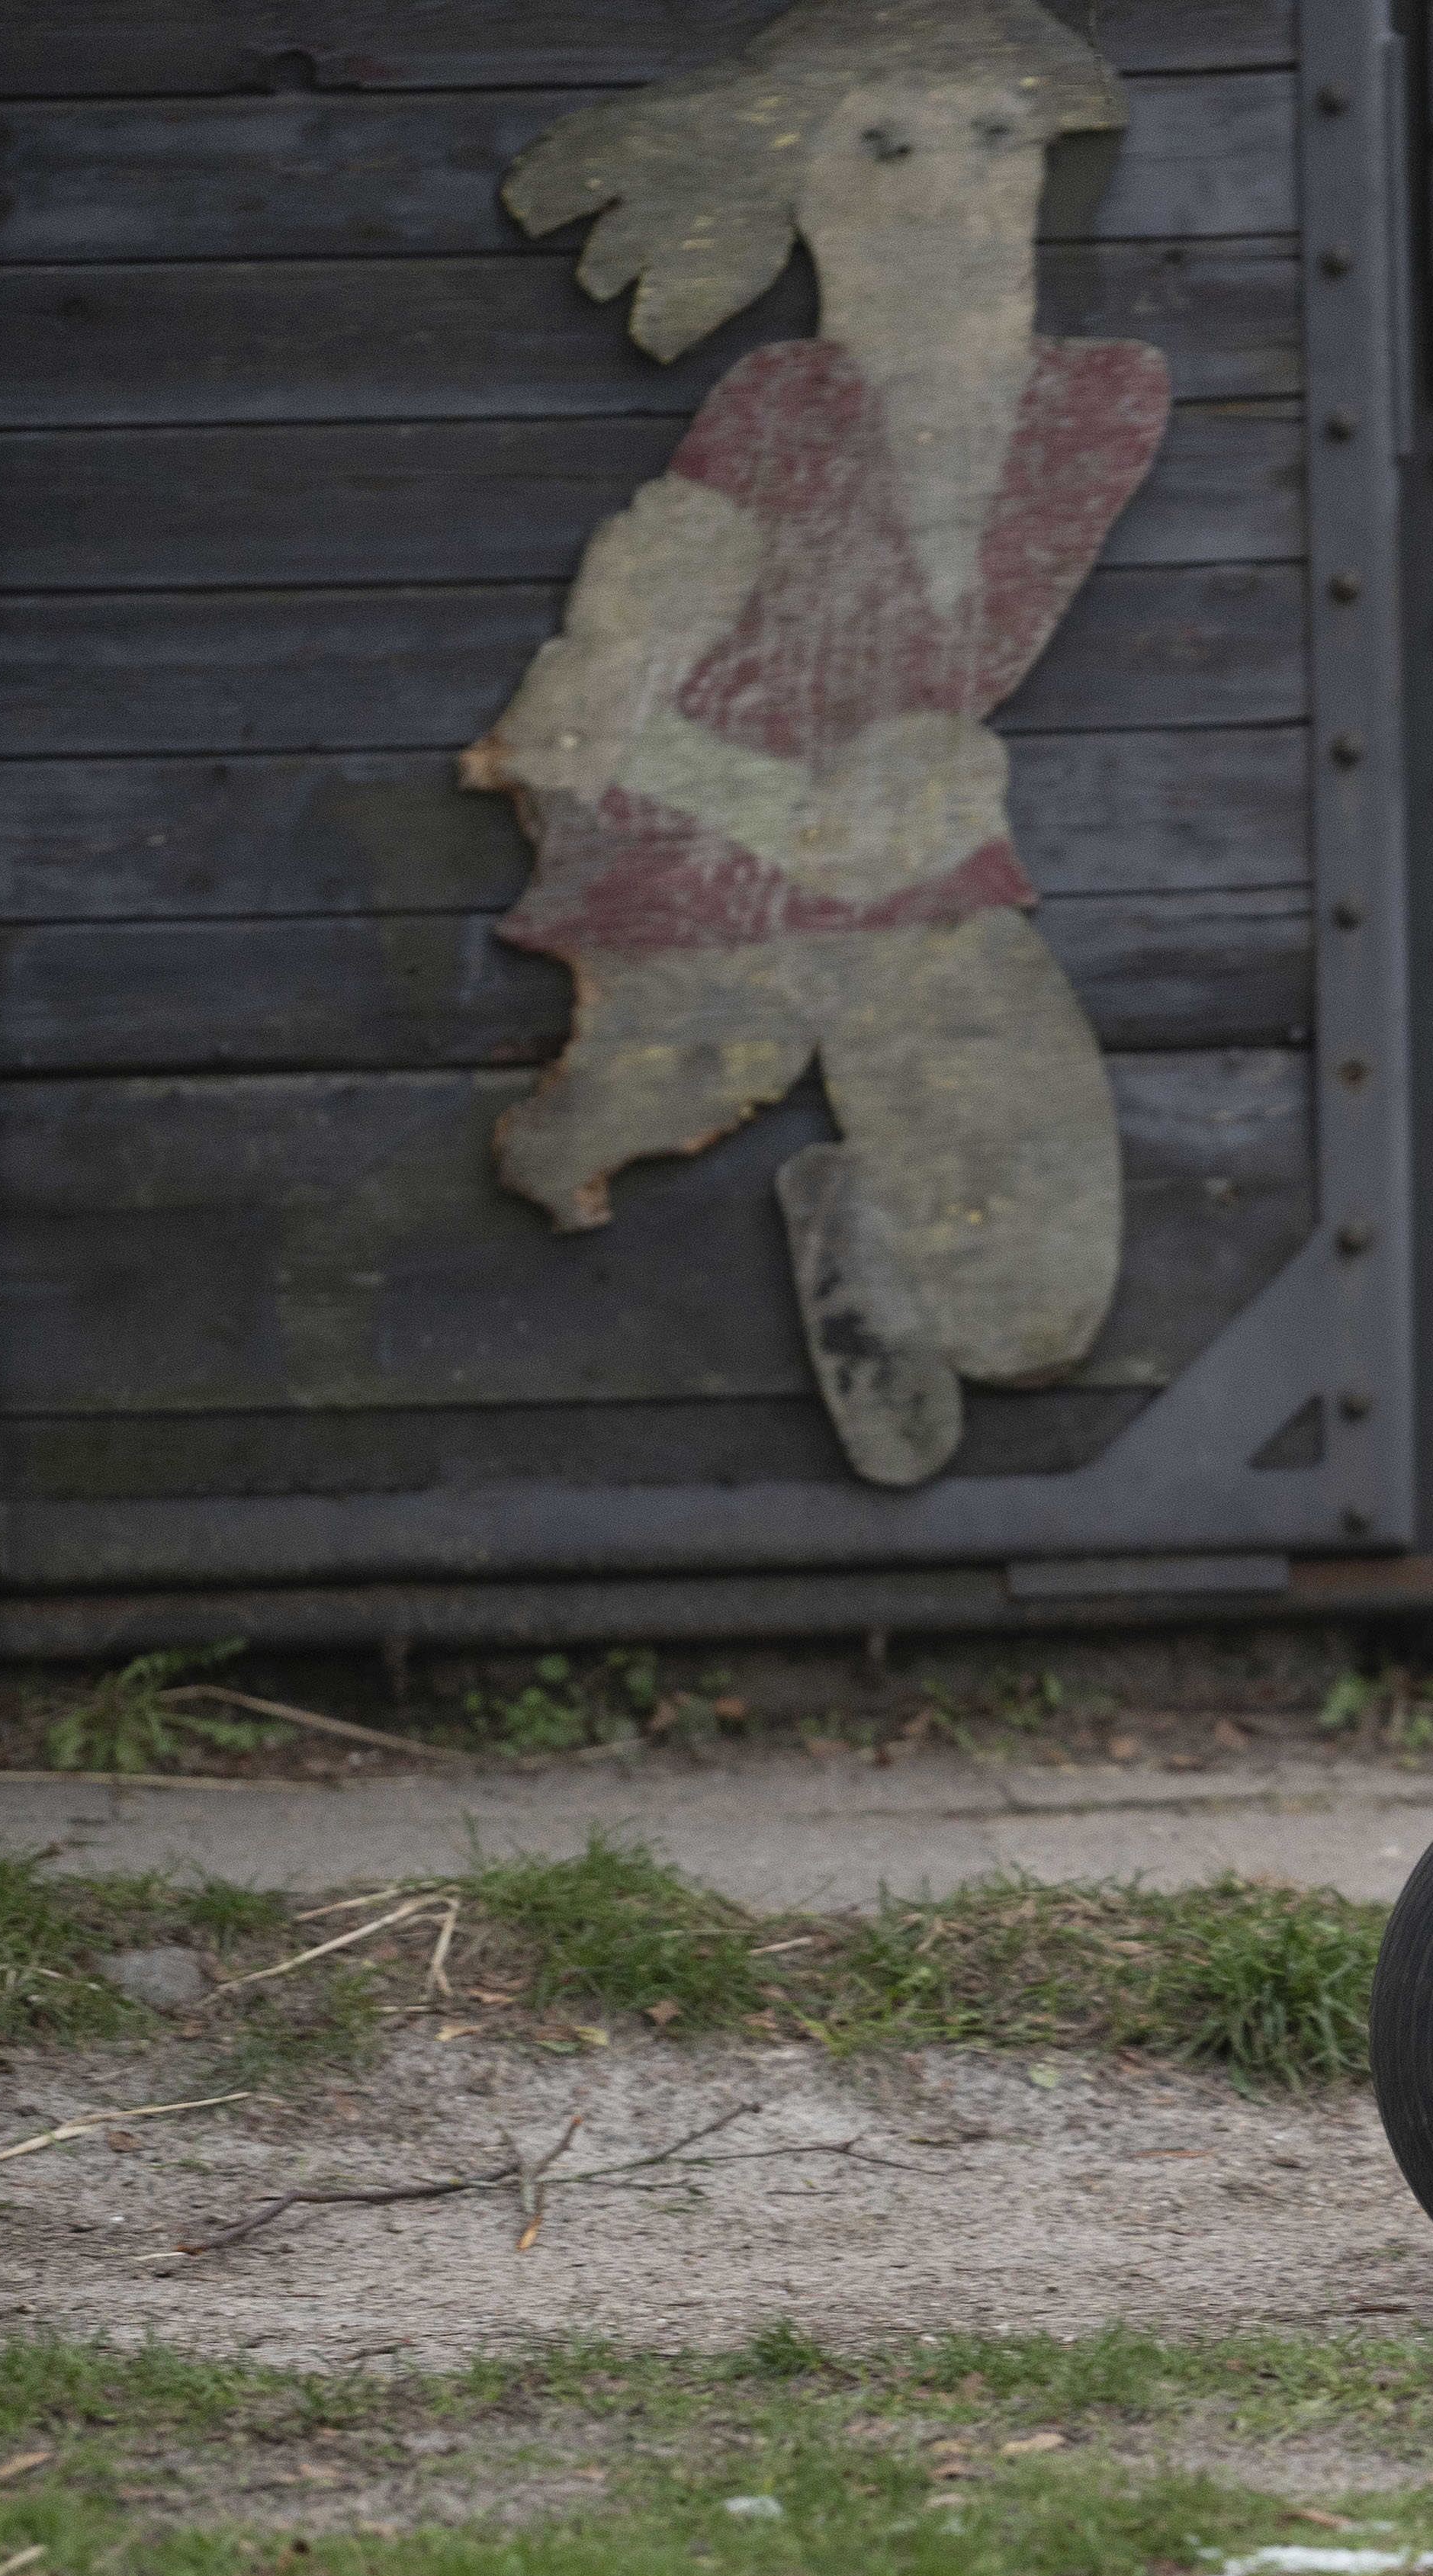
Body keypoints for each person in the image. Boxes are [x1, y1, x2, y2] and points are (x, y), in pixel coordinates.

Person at [463, 0, 1157, 1487]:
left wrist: (909, 794)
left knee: (1042, 1313)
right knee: (583, 1141)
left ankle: (852, 1212)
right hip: (705, 882)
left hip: (922, 883)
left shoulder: (1095, 408)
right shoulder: (772, 411)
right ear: (806, 188)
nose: (958, 188)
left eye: (993, 137)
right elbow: (574, 723)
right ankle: (671, 1092)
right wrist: (789, 811)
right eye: (888, 147)